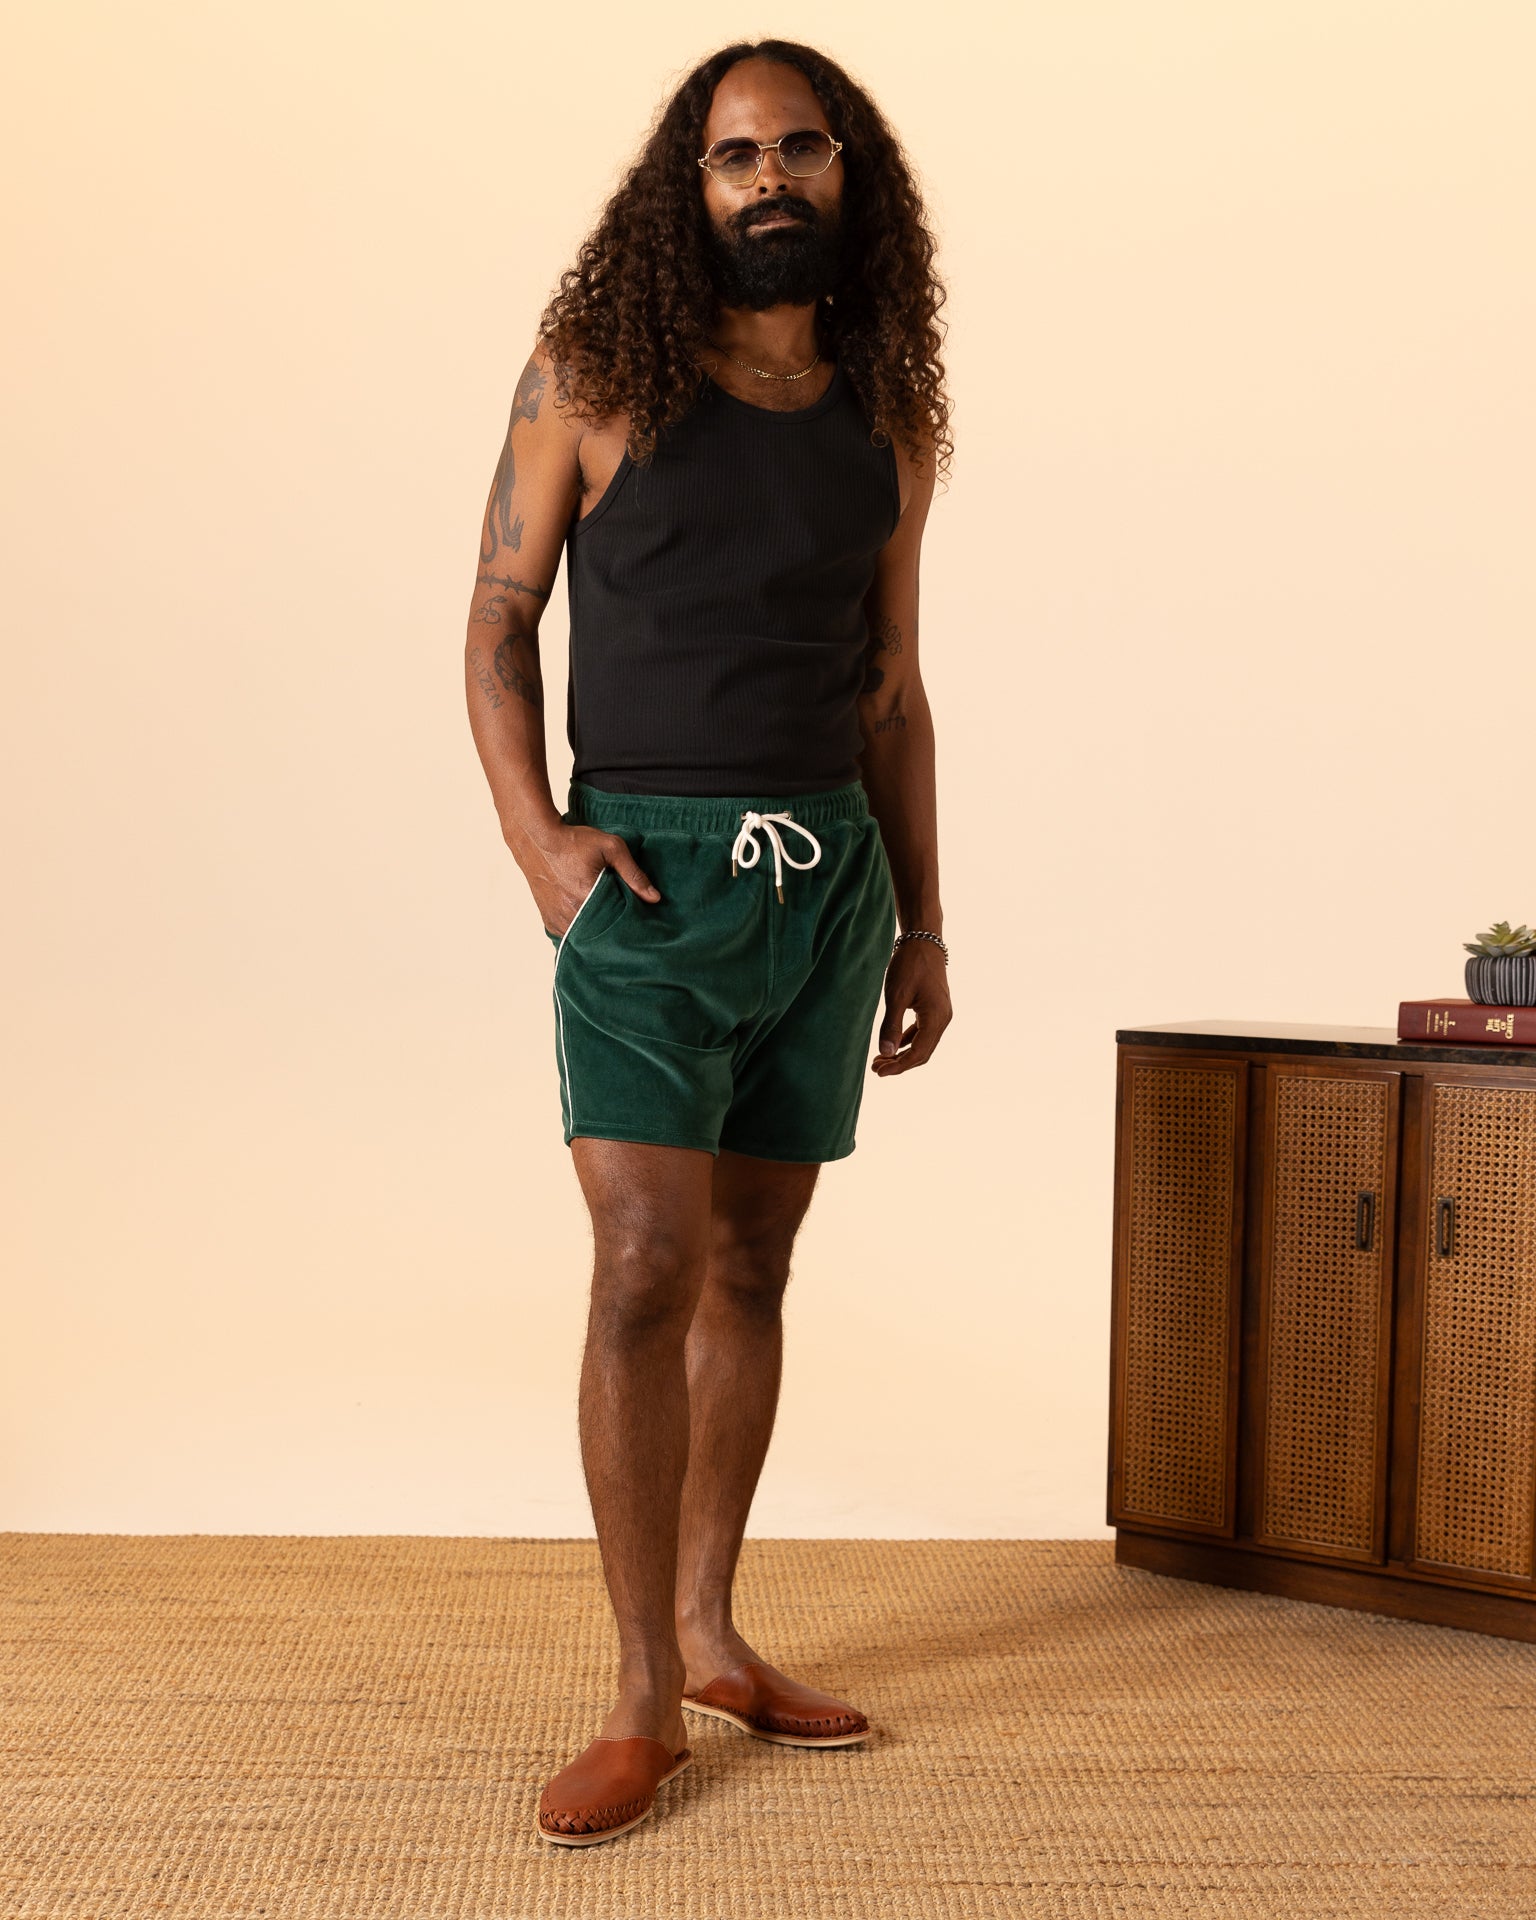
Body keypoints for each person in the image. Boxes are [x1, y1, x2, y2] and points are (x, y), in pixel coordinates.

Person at [464, 37, 953, 1846]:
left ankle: (711, 1628)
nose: (769, 177)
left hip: (830, 877)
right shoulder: (592, 376)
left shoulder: (887, 414)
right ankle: (638, 1699)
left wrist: (924, 921)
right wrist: (542, 844)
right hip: (649, 878)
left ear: (849, 177)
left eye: (802, 148)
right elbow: (498, 616)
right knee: (643, 1261)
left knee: (754, 1258)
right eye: (736, 151)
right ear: (691, 184)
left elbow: (897, 691)